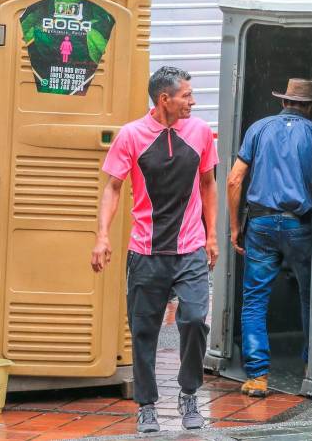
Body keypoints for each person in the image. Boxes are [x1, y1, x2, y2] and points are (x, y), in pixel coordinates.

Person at [91, 66, 218, 433]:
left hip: (190, 247)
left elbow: (208, 184)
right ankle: (147, 405)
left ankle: (189, 393)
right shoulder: (131, 135)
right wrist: (103, 236)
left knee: (194, 319)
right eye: (186, 96)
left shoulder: (200, 133)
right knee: (144, 331)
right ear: (165, 99)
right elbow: (113, 187)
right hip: (145, 251)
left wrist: (211, 237)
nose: (192, 101)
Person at [227, 78, 312, 397]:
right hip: (300, 225)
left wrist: (235, 226)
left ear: (284, 102)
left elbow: (234, 179)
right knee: (310, 297)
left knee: (255, 299)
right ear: (311, 107)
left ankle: (257, 377)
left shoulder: (259, 128)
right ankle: (311, 368)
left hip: (261, 224)